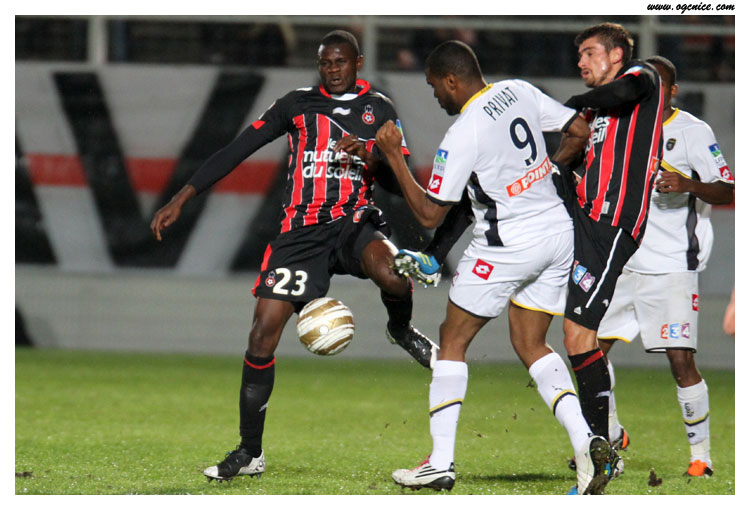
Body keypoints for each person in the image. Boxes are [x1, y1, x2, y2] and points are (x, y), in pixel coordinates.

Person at [150, 30, 438, 482]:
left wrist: (370, 155)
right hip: (300, 233)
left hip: (354, 221)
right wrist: (182, 197)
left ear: (358, 63)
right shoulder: (296, 105)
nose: (333, 70)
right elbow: (237, 149)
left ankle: (400, 330)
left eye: (340, 62)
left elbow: (397, 180)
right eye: (325, 63)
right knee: (262, 334)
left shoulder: (379, 109)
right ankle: (250, 452)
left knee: (394, 276)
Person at [376, 40, 619, 495]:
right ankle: (588, 445)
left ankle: (439, 463)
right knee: (531, 342)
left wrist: (392, 153)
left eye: (434, 86)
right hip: (557, 233)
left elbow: (429, 213)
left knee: (452, 340)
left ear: (452, 80)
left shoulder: (464, 133)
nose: (435, 96)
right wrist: (547, 172)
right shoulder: (518, 90)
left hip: (506, 246)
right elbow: (579, 129)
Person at [595, 55, 734, 478]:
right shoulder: (617, 126)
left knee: (680, 360)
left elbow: (727, 189)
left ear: (672, 91)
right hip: (621, 260)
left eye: (657, 86)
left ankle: (701, 457)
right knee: (589, 351)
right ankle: (610, 437)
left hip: (671, 265)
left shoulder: (692, 131)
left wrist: (688, 183)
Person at [554, 23, 664, 445]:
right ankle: (606, 436)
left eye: (589, 52)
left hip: (612, 223)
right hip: (583, 219)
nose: (580, 62)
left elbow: (624, 91)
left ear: (616, 55)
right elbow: (570, 154)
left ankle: (602, 444)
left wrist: (573, 103)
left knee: (580, 335)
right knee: (575, 337)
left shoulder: (641, 76)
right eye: (579, 54)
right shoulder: (595, 112)